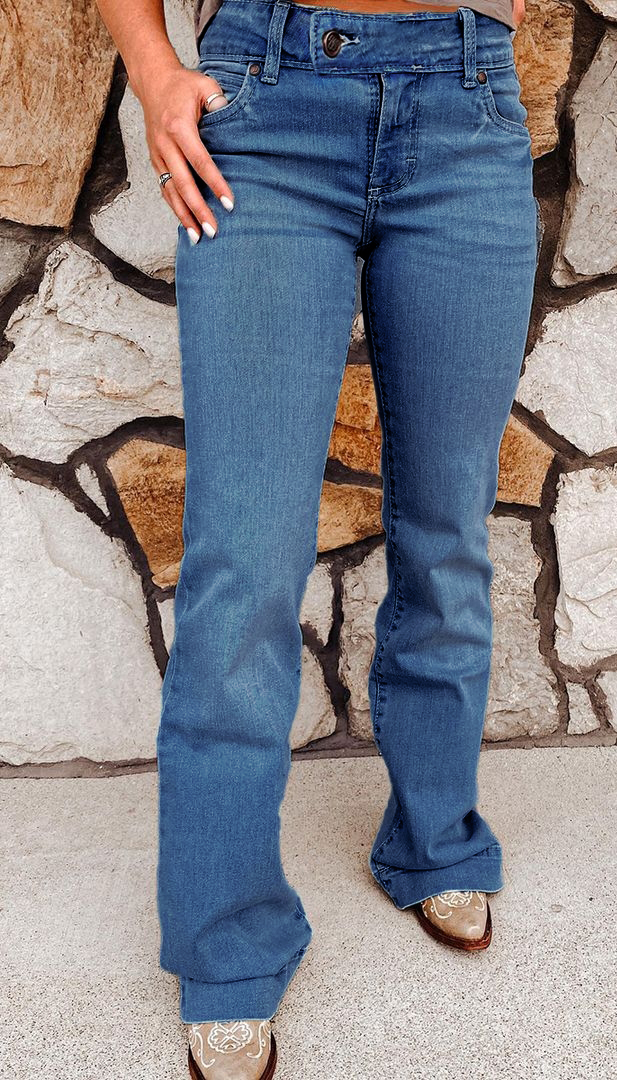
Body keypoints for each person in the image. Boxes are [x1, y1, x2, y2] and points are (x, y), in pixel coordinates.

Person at [95, 0, 537, 1075]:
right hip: (267, 104)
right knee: (243, 561)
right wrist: (153, 71)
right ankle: (227, 944)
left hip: (467, 103)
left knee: (448, 528)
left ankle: (436, 841)